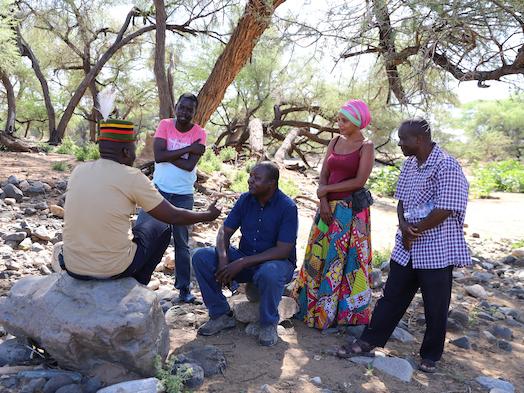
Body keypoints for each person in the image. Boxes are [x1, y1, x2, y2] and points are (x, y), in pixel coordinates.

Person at [337, 118, 470, 374]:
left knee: (435, 304)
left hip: (436, 248)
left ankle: (430, 355)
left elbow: (445, 208)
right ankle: (369, 340)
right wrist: (403, 225)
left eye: (403, 139)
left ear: (419, 140)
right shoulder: (410, 165)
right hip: (408, 244)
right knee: (391, 297)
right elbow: (401, 201)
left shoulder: (447, 166)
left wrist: (415, 230)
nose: (399, 144)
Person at [61, 118, 220, 285]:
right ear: (126, 151)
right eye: (133, 148)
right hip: (111, 269)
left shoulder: (79, 171)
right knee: (161, 226)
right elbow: (173, 216)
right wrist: (207, 215)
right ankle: (138, 283)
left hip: (73, 266)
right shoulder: (132, 177)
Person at [192, 161, 298, 347]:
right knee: (201, 256)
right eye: (250, 176)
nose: (250, 181)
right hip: (245, 259)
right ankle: (220, 315)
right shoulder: (245, 200)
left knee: (270, 272)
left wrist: (241, 262)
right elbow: (224, 232)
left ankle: (268, 323)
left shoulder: (287, 207)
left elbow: (283, 250)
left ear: (271, 183)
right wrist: (224, 261)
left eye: (257, 178)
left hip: (277, 264)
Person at [291, 99, 374, 330]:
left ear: (357, 122)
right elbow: (325, 173)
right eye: (338, 119)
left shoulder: (366, 146)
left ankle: (344, 314)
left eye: (344, 120)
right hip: (327, 209)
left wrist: (326, 191)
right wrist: (324, 200)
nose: (339, 123)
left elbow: (359, 181)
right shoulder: (335, 141)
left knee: (347, 261)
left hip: (350, 212)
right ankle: (313, 309)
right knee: (320, 256)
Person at [137, 93, 206, 303]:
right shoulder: (165, 125)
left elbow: (188, 166)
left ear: (195, 112)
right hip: (158, 191)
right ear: (176, 107)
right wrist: (187, 150)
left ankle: (184, 289)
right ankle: (136, 282)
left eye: (189, 109)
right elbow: (158, 156)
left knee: (182, 243)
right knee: (143, 234)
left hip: (183, 194)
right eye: (182, 108)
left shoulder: (200, 133)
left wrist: (169, 153)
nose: (185, 112)